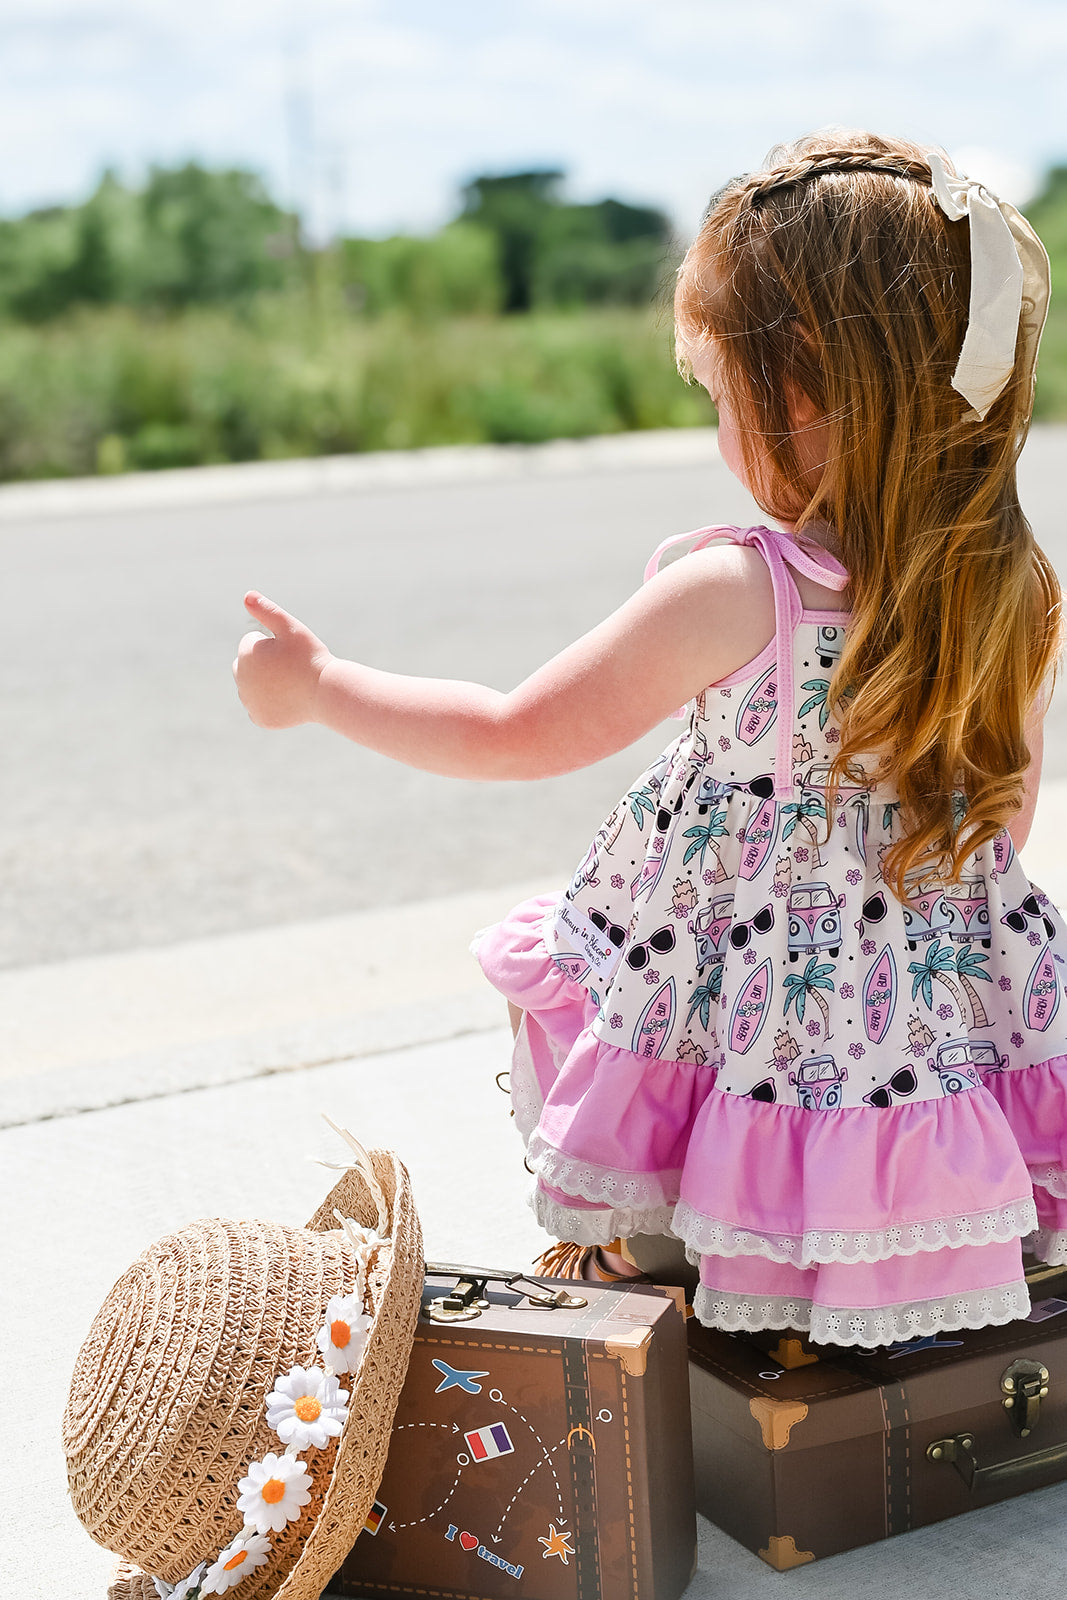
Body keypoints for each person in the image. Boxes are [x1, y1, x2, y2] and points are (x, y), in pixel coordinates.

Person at [234, 130, 1067, 1348]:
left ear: (795, 396)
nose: (718, 424)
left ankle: (685, 1284)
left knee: (701, 1085)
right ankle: (865, 1285)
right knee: (835, 1116)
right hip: (914, 1024)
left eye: (720, 393)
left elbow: (513, 732)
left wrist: (320, 685)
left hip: (740, 999)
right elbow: (996, 826)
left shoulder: (741, 592)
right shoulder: (1017, 590)